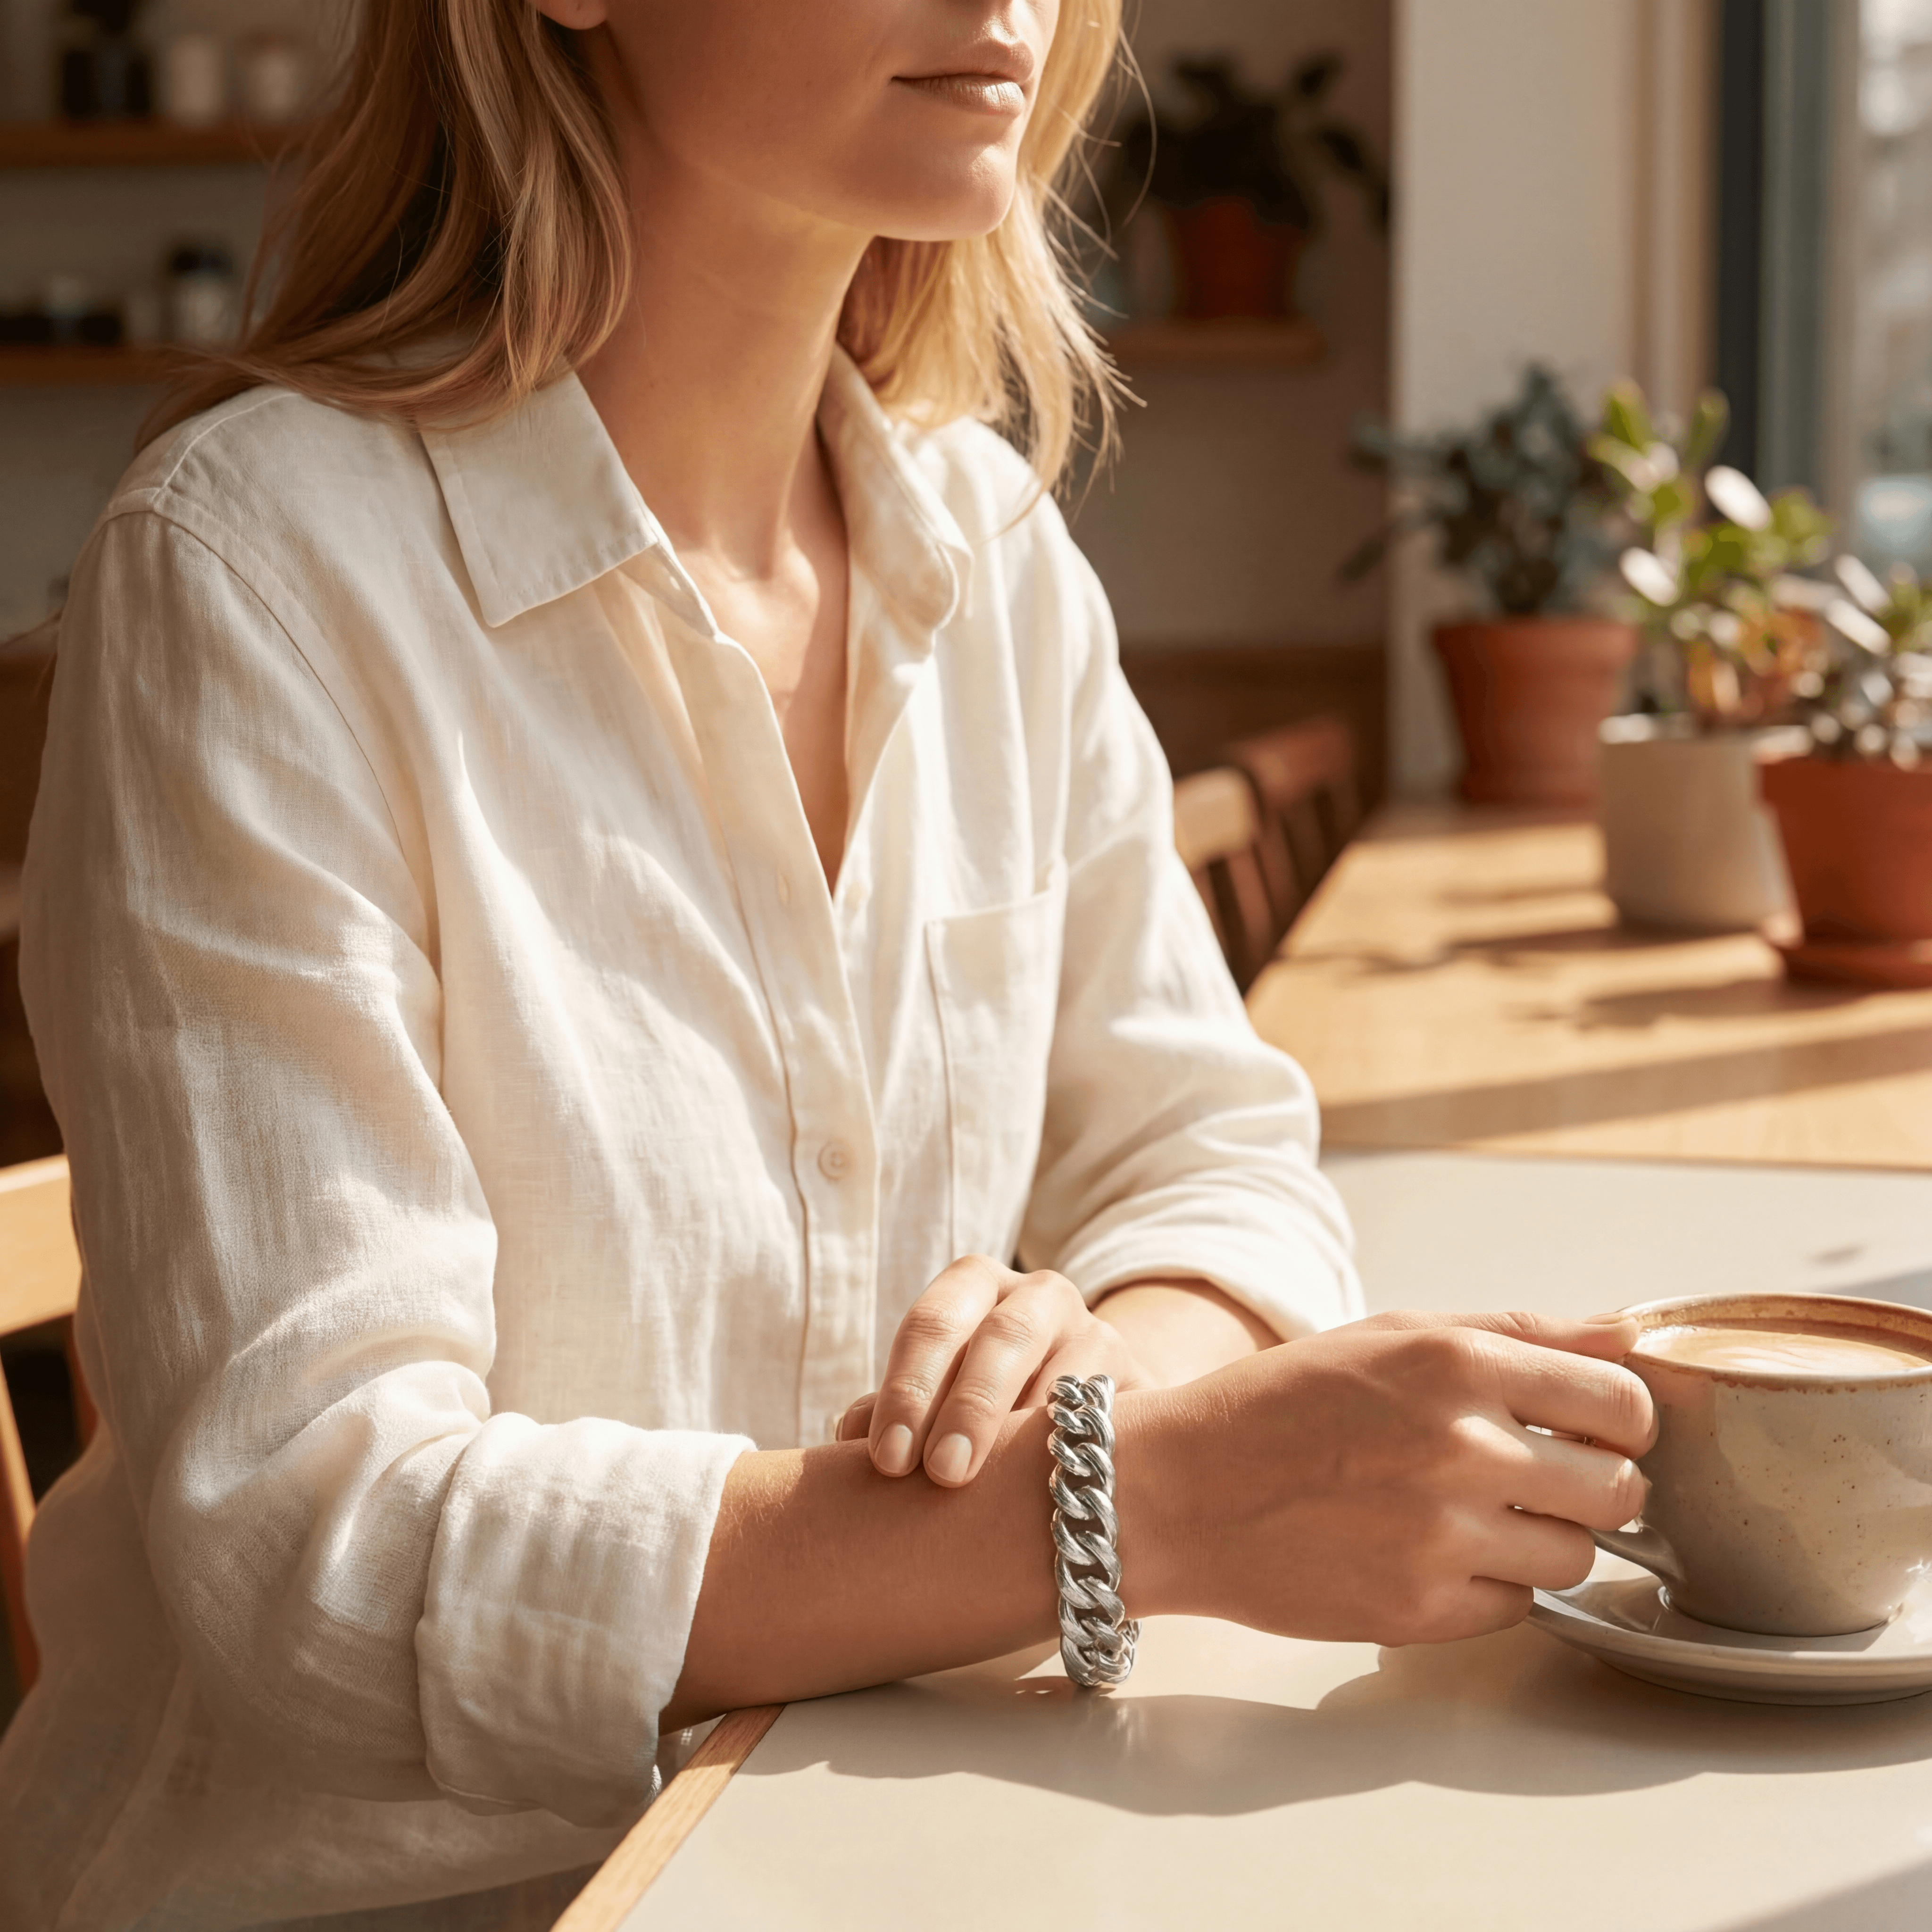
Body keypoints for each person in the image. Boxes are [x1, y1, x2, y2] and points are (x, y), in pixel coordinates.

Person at [0, 1, 1653, 1926]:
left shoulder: (995, 555)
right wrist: (1136, 1503)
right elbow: (326, 1550)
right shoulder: (257, 574)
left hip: (888, 1836)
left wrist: (1105, 1373)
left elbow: (1212, 1157)